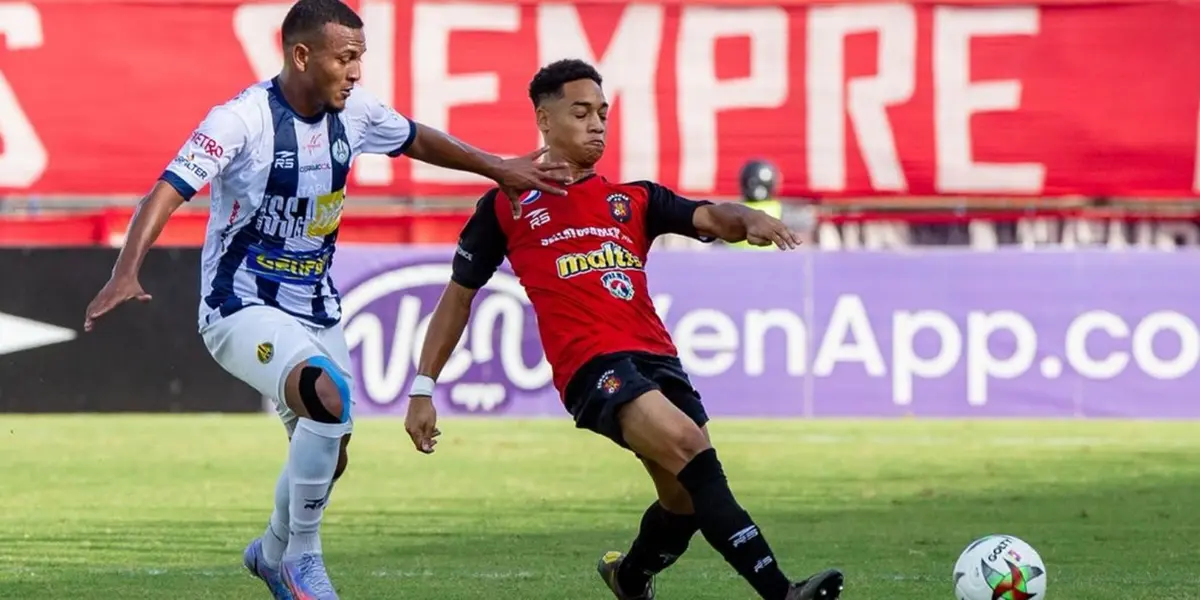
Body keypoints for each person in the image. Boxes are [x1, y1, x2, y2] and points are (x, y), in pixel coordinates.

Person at [80, 1, 570, 598]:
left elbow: (418, 139)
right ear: (302, 55)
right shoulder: (242, 120)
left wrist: (497, 167)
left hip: (317, 306)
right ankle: (302, 561)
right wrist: (124, 269)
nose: (357, 70)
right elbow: (165, 191)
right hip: (239, 306)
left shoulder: (355, 114)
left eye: (360, 57)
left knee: (330, 453)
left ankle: (270, 551)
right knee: (325, 395)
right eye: (346, 57)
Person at [404, 58, 845, 600]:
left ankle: (629, 577)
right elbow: (457, 297)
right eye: (581, 112)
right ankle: (783, 592)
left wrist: (746, 217)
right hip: (592, 366)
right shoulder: (506, 203)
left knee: (684, 499)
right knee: (689, 447)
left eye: (603, 114)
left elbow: (710, 216)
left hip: (658, 359)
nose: (597, 125)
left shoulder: (635, 199)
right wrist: (423, 388)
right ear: (544, 119)